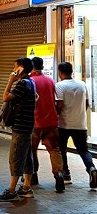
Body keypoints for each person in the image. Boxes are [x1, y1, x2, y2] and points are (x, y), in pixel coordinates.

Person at [0, 57, 36, 202]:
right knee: (26, 157)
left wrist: (10, 81)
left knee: (16, 157)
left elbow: (5, 97)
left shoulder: (21, 84)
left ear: (21, 68)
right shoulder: (31, 83)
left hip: (21, 126)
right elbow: (36, 98)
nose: (13, 70)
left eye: (15, 67)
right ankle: (26, 187)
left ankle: (11, 190)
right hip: (28, 125)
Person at [55, 62, 97, 188]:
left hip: (64, 125)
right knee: (83, 150)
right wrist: (79, 115)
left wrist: (57, 115)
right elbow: (87, 103)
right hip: (80, 125)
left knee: (62, 150)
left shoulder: (59, 86)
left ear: (60, 72)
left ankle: (66, 174)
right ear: (72, 71)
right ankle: (91, 168)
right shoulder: (82, 84)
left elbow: (60, 105)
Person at [29, 57, 64, 192]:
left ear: (31, 67)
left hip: (34, 122)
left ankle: (33, 176)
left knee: (32, 150)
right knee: (54, 150)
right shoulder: (50, 80)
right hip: (51, 121)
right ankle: (59, 173)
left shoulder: (29, 81)